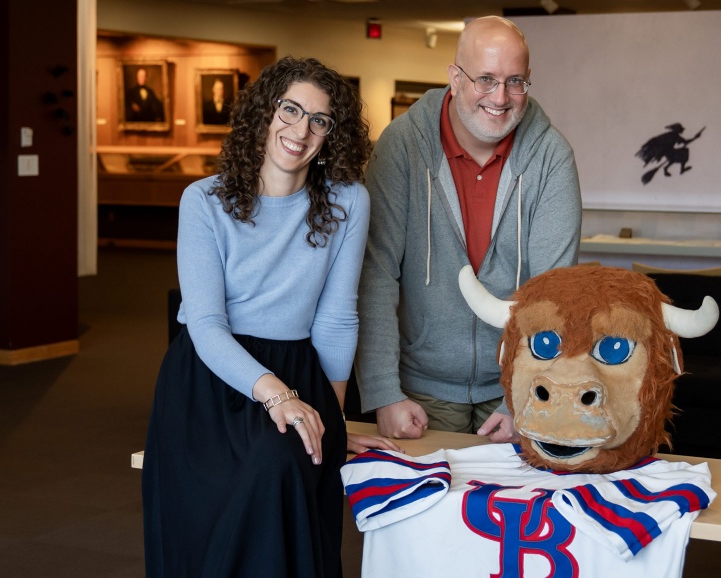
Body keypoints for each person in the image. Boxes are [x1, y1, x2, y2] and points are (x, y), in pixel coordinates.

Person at [142, 56, 399, 578]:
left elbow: (336, 321)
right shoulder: (203, 201)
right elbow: (206, 326)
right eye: (290, 109)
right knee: (268, 472)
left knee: (296, 466)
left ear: (332, 135)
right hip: (210, 381)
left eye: (319, 120)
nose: (300, 131)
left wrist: (328, 418)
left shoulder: (349, 202)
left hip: (300, 372)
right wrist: (278, 397)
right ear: (264, 113)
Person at [356, 16, 582, 442]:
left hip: (517, 386)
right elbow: (376, 275)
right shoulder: (402, 146)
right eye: (485, 79)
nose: (500, 97)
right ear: (455, 79)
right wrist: (384, 392)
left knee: (514, 509)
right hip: (420, 390)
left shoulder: (552, 157)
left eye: (515, 81)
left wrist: (524, 397)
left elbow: (555, 294)